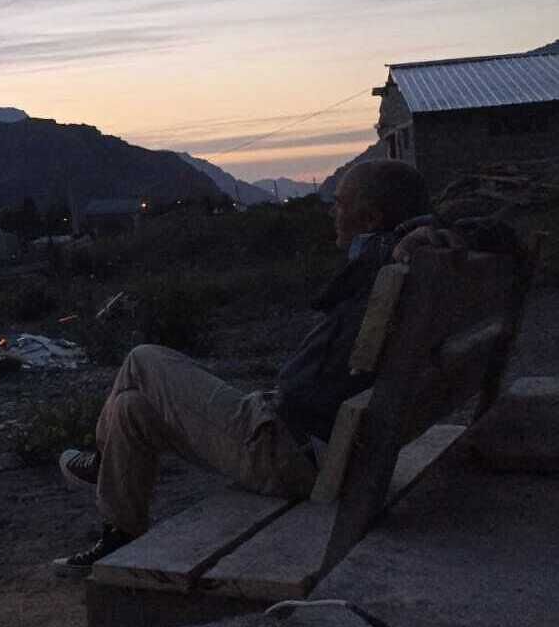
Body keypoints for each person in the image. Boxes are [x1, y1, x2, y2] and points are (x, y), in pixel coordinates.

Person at [52, 159, 438, 574]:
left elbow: (305, 390)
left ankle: (99, 462)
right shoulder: (414, 262)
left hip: (291, 452)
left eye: (340, 203)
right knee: (130, 408)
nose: (332, 212)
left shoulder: (382, 267)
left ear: (371, 218)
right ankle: (118, 537)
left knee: (142, 358)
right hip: (324, 444)